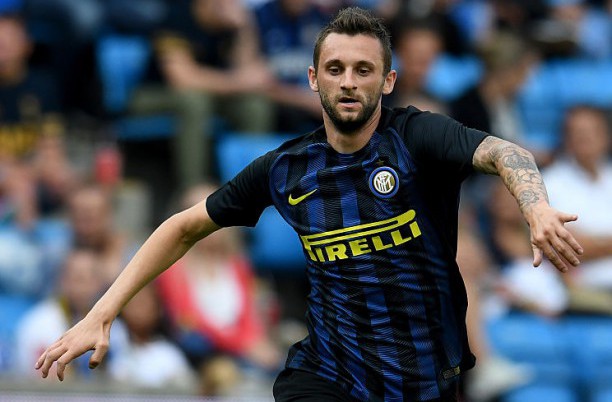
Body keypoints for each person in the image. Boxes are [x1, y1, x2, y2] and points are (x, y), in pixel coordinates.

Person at [35, 7, 583, 402]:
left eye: (364, 70)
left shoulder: (417, 138)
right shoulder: (286, 168)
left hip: (422, 378)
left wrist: (536, 208)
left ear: (388, 80)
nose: (349, 82)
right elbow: (182, 227)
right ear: (313, 78)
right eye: (336, 69)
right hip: (326, 376)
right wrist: (101, 313)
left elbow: (506, 152)